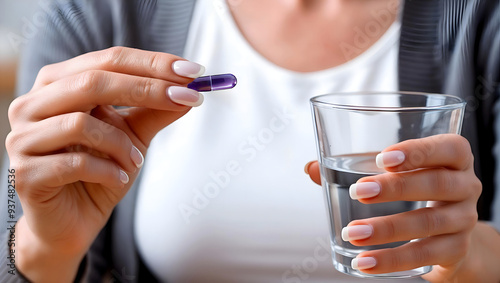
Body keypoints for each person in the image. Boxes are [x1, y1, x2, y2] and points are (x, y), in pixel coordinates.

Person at [1, 0, 500, 282]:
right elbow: (13, 247)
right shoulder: (97, 13)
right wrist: (47, 246)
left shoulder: (479, 19)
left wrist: (466, 257)